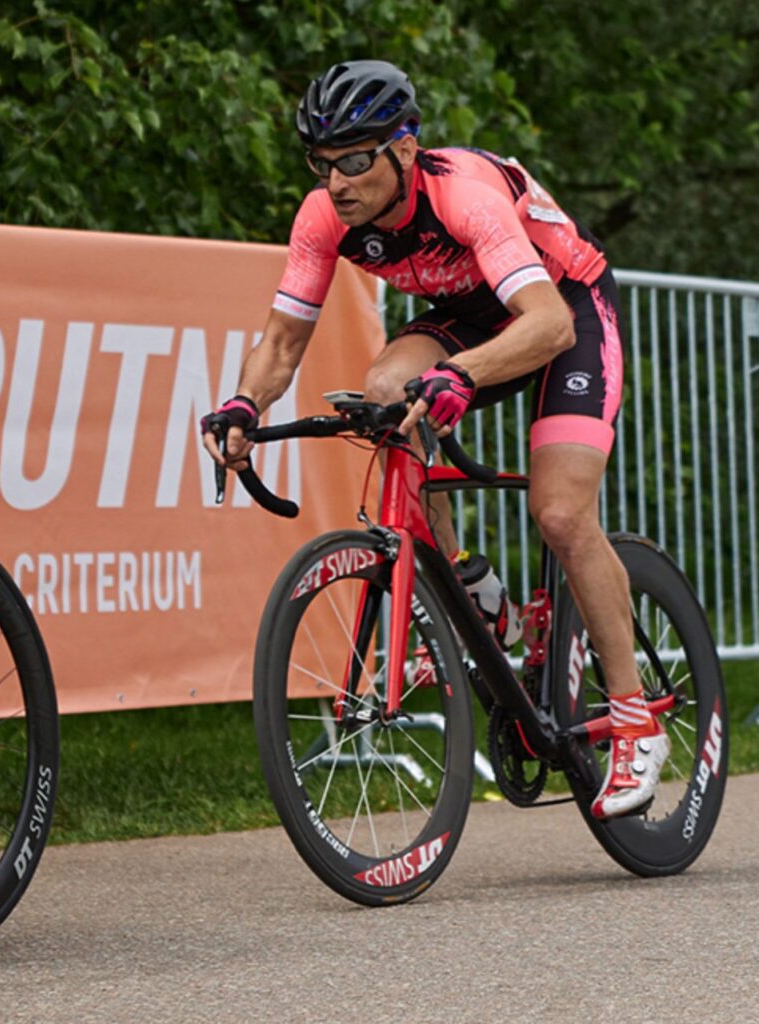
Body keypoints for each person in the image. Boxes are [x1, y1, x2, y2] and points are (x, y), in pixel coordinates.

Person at [202, 60, 665, 819]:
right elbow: (282, 342)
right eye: (321, 164)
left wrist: (461, 375)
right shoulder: (324, 218)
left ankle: (635, 715)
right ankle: (464, 590)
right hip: (470, 315)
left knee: (559, 512)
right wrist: (242, 403)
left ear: (406, 150)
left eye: (355, 160)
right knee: (385, 393)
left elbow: (545, 325)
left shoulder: (464, 196)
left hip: (563, 311)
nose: (337, 181)